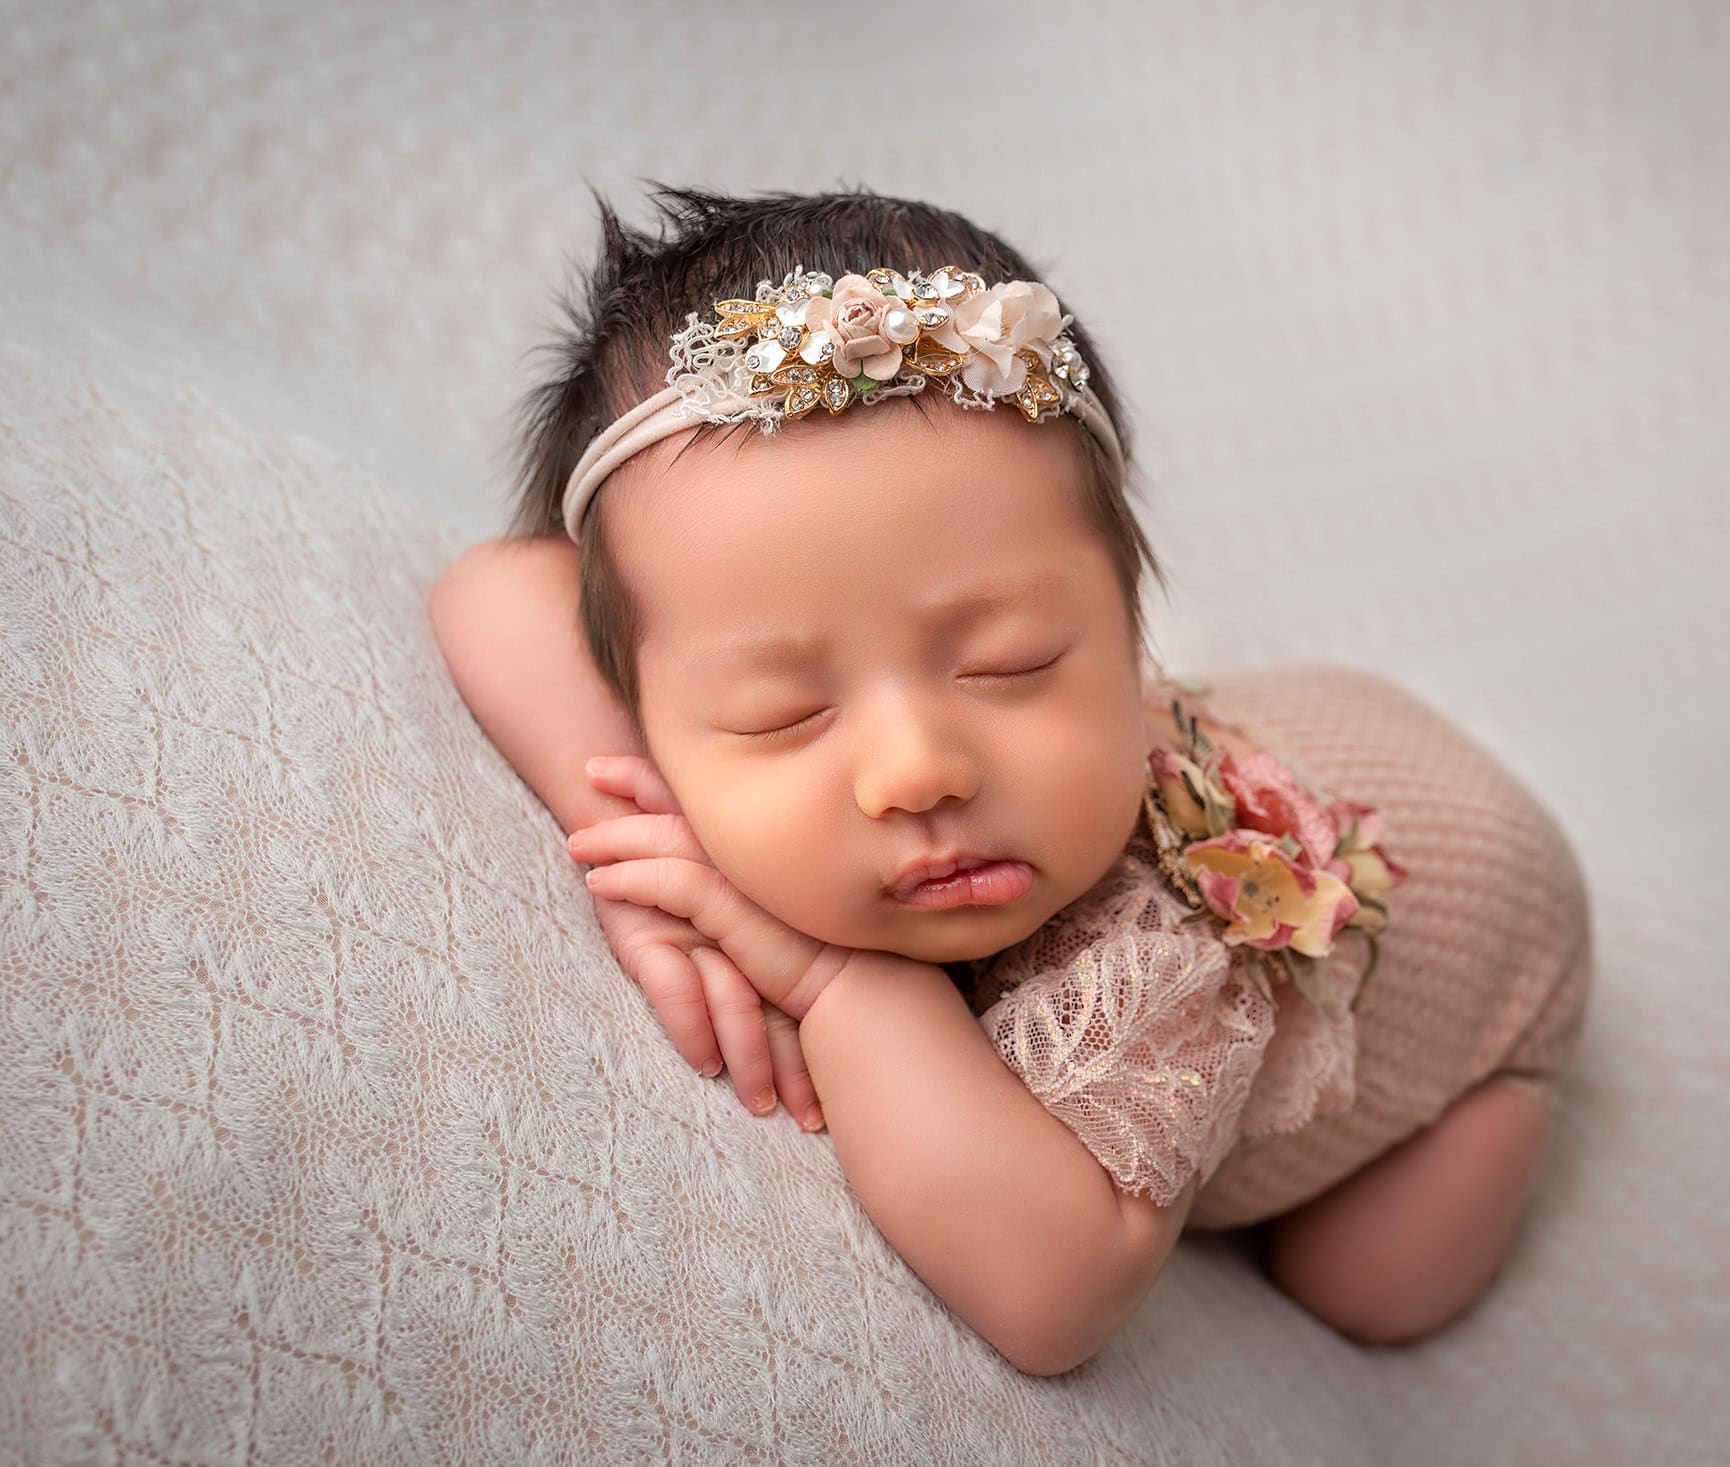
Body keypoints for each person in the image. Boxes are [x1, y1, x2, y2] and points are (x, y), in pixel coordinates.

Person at [428, 184, 1593, 1375]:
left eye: (1010, 662)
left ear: (1128, 626)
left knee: (1365, 1282)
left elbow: (1053, 1295)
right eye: (781, 710)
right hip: (1329, 712)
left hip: (1489, 917)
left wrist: (838, 981)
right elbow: (494, 588)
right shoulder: (698, 673)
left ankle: (1524, 1081)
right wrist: (628, 832)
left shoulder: (1157, 953)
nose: (917, 769)